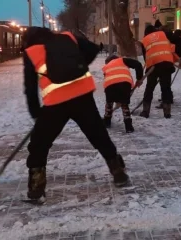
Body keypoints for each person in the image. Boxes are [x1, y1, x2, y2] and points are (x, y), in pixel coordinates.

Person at [22, 27, 129, 203]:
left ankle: (36, 188)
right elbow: (93, 49)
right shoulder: (68, 38)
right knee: (98, 135)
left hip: (55, 103)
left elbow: (30, 87)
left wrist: (36, 114)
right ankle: (118, 172)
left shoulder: (31, 52)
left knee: (39, 144)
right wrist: (77, 66)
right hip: (82, 96)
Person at [139, 24, 175, 118]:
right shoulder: (163, 34)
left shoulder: (144, 40)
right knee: (166, 88)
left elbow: (145, 56)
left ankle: (145, 111)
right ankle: (167, 112)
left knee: (149, 88)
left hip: (153, 65)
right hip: (167, 64)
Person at [102, 54, 144, 133]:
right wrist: (139, 78)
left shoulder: (106, 67)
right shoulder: (122, 60)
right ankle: (128, 127)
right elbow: (138, 64)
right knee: (124, 105)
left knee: (109, 103)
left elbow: (107, 79)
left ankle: (106, 122)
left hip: (109, 85)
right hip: (124, 84)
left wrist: (113, 97)